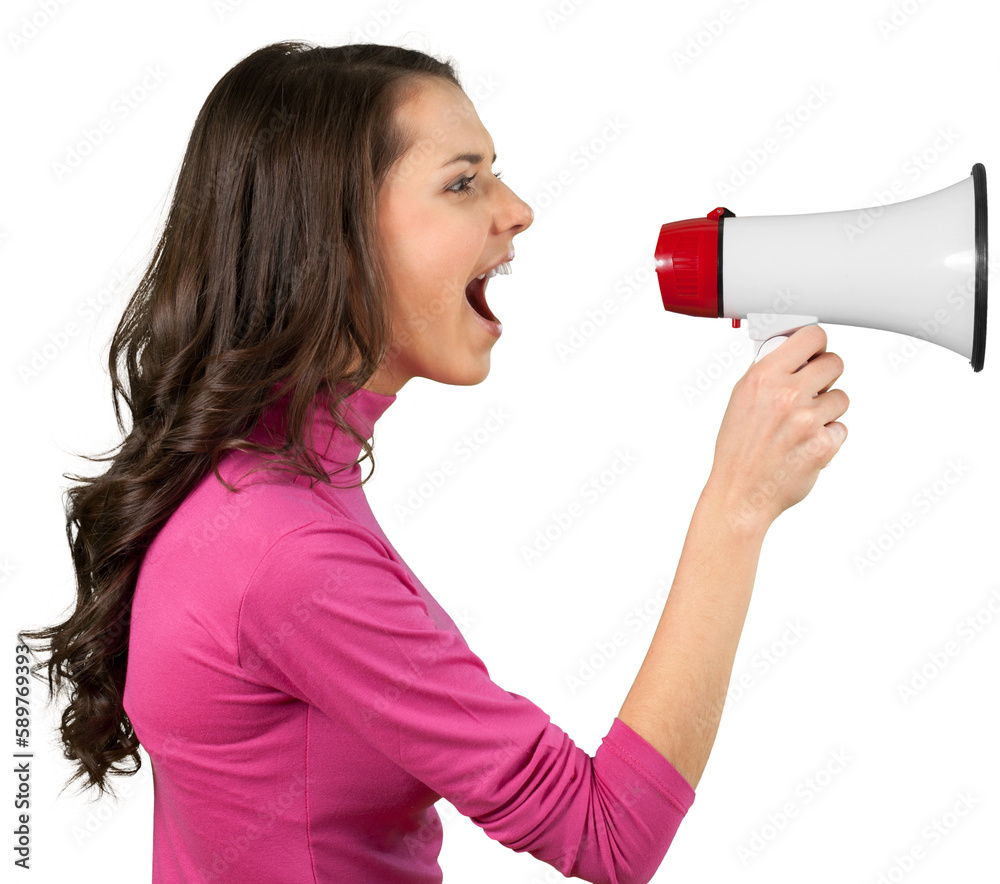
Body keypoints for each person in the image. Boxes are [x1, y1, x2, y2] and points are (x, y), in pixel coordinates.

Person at [20, 40, 849, 884]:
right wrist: (738, 507)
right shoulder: (285, 550)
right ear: (330, 238)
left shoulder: (265, 480)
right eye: (463, 182)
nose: (517, 209)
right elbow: (607, 835)